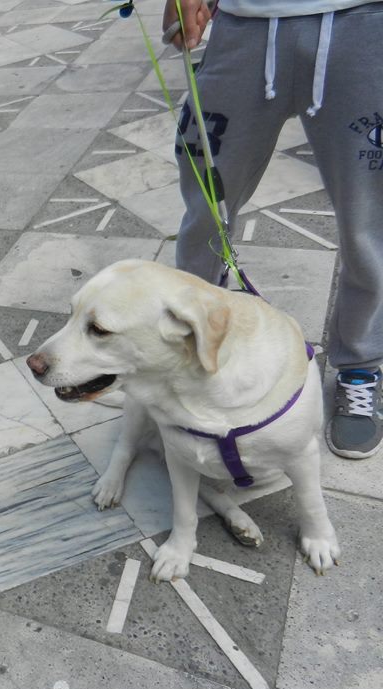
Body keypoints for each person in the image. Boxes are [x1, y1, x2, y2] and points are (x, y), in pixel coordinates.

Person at [164, 0, 383, 459]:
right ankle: (196, 338)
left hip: (364, 24)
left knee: (369, 219)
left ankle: (359, 364)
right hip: (244, 24)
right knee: (207, 203)